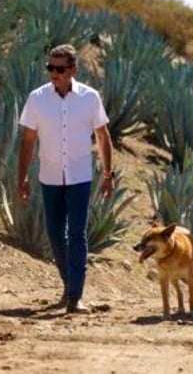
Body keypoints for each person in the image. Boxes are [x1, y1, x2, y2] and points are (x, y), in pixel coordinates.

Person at [16, 44, 114, 314]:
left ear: (73, 70)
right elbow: (27, 141)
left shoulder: (90, 97)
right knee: (55, 234)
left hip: (80, 176)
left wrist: (108, 174)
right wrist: (22, 178)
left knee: (77, 235)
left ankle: (75, 297)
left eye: (60, 69)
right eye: (50, 68)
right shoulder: (37, 98)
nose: (54, 74)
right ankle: (68, 283)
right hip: (49, 177)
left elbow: (103, 136)